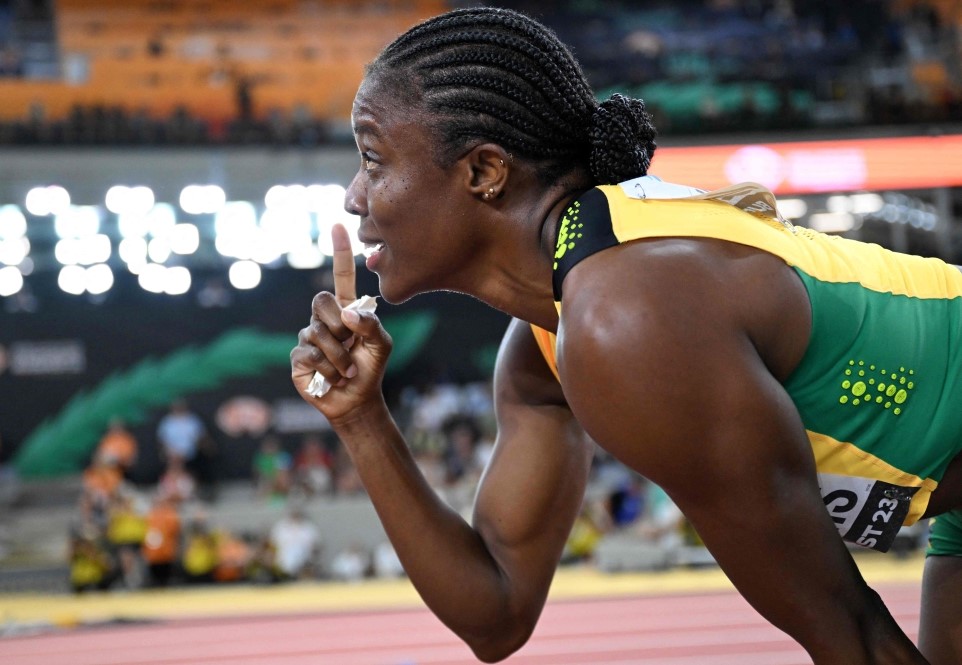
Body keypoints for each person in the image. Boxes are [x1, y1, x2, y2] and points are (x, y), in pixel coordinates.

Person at [289, 7, 962, 664]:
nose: (354, 194)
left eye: (374, 159)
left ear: (484, 172)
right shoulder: (549, 342)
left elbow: (848, 631)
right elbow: (494, 615)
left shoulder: (627, 320)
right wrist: (362, 421)